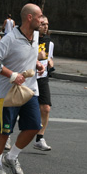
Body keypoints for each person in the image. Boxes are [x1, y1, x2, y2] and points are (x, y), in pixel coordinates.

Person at [0, 3, 45, 174]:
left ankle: (11, 157)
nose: (42, 20)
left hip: (30, 91)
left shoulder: (34, 35)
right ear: (29, 18)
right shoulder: (10, 39)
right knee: (4, 131)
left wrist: (37, 63)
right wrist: (12, 75)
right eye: (39, 16)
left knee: (34, 126)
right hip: (8, 94)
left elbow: (26, 56)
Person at [34, 15, 54, 151]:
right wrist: (37, 56)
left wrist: (50, 63)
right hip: (28, 77)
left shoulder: (49, 41)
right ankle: (7, 135)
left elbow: (49, 57)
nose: (45, 26)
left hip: (42, 77)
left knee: (46, 108)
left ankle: (39, 138)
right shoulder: (29, 38)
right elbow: (21, 57)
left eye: (46, 24)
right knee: (18, 109)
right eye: (42, 24)